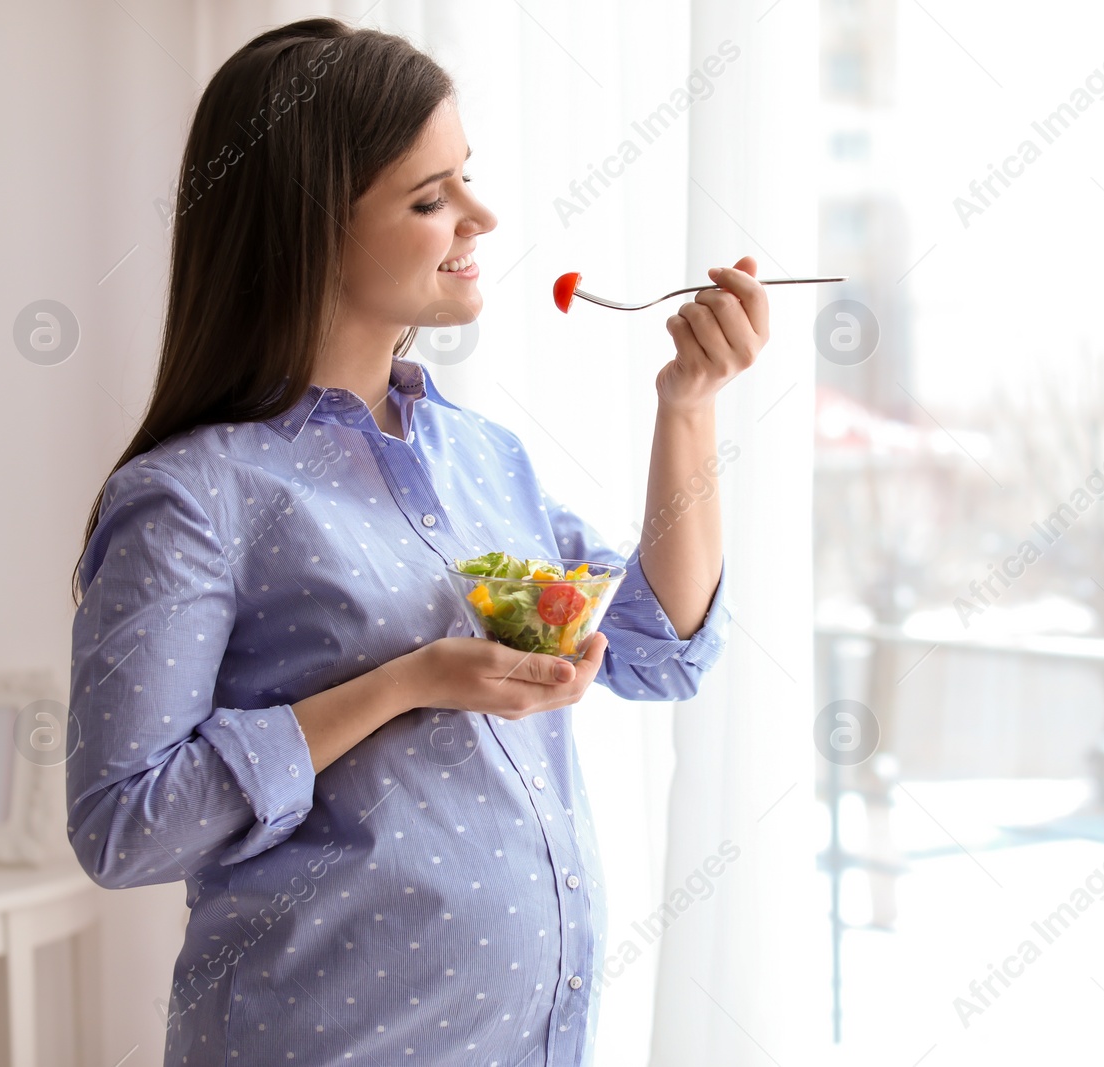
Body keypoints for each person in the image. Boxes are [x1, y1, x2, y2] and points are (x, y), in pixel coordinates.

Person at [65, 16, 768, 1067]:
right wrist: (405, 681)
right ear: (310, 230)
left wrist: (690, 406)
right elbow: (125, 824)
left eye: (467, 178)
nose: (479, 215)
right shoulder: (193, 497)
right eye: (430, 198)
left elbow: (660, 645)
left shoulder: (483, 459)